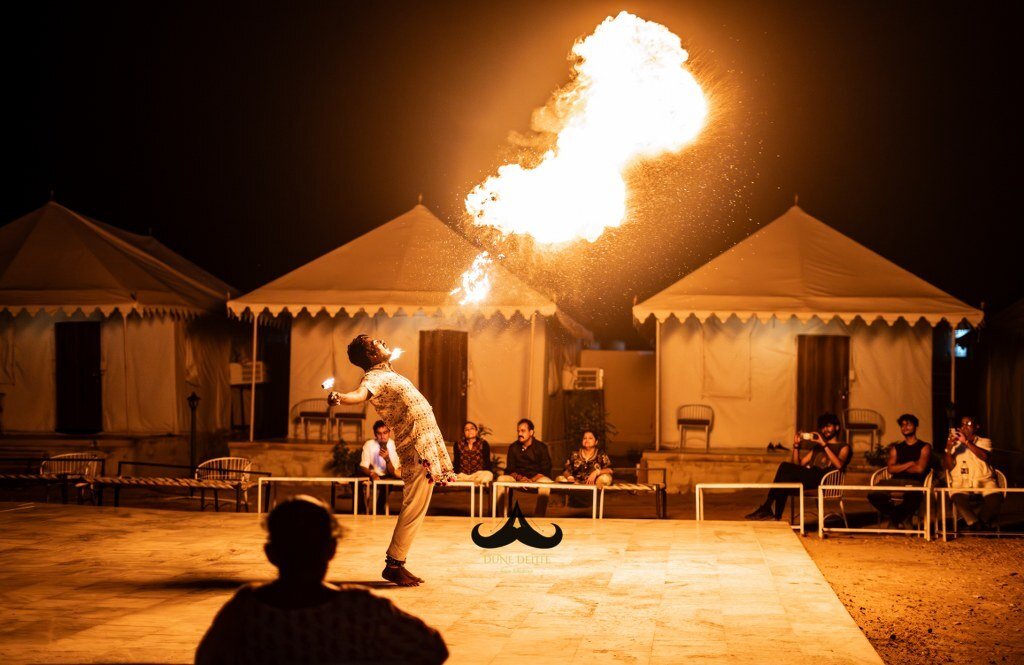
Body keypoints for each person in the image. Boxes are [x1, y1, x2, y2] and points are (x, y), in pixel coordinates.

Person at [195, 495, 448, 665]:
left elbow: (207, 659)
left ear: (270, 553)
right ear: (331, 549)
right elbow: (433, 648)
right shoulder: (362, 608)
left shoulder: (245, 611)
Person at [328, 335, 454, 587]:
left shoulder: (388, 373)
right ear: (371, 355)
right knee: (414, 506)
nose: (382, 341)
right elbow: (359, 394)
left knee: (416, 506)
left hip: (424, 443)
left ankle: (398, 563)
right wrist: (340, 397)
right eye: (375, 342)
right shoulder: (374, 377)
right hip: (417, 447)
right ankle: (394, 564)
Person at [745, 412, 852, 521]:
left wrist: (824, 444)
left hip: (824, 481)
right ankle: (774, 514)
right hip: (811, 477)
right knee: (785, 477)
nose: (825, 429)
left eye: (828, 426)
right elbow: (797, 466)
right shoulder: (817, 447)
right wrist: (796, 446)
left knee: (785, 468)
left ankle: (770, 510)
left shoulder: (843, 447)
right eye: (823, 427)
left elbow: (839, 465)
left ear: (837, 427)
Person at [866, 413, 932, 529]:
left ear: (915, 426)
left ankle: (894, 519)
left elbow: (920, 469)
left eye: (908, 424)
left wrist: (899, 467)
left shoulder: (924, 446)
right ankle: (902, 518)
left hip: (915, 482)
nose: (905, 427)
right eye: (902, 425)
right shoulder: (896, 448)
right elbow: (891, 469)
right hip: (895, 481)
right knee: (873, 495)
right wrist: (910, 463)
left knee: (914, 496)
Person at [943, 415, 1002, 531]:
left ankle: (980, 522)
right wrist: (948, 449)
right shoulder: (955, 443)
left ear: (976, 427)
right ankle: (976, 524)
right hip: (962, 482)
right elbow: (948, 466)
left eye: (968, 424)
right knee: (957, 497)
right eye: (962, 424)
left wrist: (966, 442)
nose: (965, 426)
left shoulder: (985, 441)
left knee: (995, 498)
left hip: (984, 480)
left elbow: (984, 456)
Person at [494, 418, 553, 517]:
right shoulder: (513, 447)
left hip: (536, 478)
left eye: (523, 431)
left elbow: (545, 469)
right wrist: (520, 478)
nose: (520, 434)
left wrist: (531, 480)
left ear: (531, 432)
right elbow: (510, 470)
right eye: (518, 431)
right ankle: (502, 515)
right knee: (501, 479)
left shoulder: (541, 447)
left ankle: (539, 517)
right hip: (518, 478)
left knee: (546, 483)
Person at [360, 420, 401, 514]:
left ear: (389, 433)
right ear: (375, 434)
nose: (382, 436)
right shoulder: (369, 444)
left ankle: (379, 510)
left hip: (390, 475)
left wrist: (387, 459)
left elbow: (393, 472)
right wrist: (372, 474)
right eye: (379, 433)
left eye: (385, 433)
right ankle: (361, 511)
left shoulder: (395, 446)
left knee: (387, 482)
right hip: (373, 474)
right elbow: (363, 466)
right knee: (356, 480)